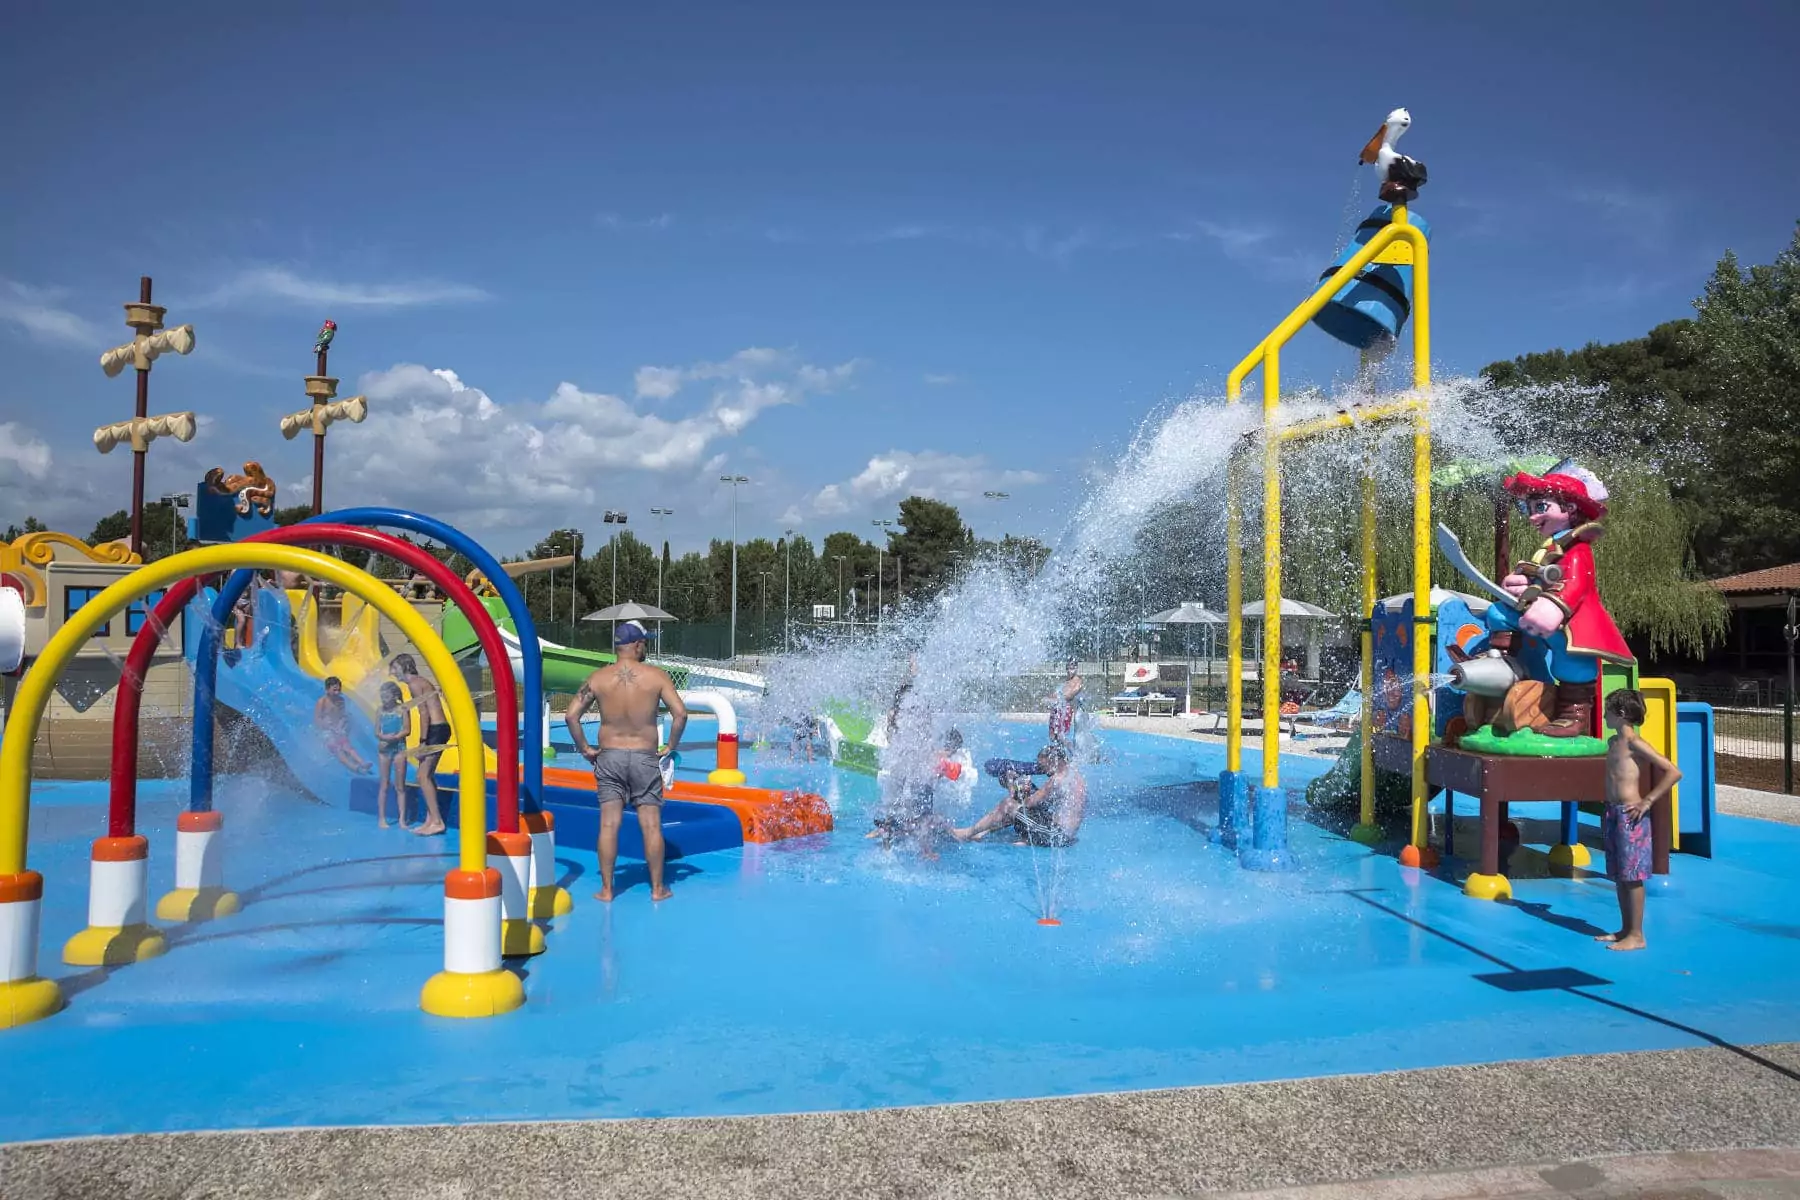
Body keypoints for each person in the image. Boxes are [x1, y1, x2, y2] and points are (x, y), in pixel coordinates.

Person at [565, 620, 687, 902]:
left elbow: (572, 716)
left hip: (610, 757)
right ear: (637, 644)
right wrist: (670, 746)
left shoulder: (597, 678)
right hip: (645, 757)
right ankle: (657, 889)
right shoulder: (656, 677)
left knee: (609, 824)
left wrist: (585, 748)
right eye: (645, 642)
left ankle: (607, 890)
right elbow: (680, 714)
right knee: (652, 825)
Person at [1595, 689, 1680, 952]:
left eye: (1608, 709)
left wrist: (1648, 801)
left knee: (1632, 875)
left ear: (1620, 714)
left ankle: (1637, 934)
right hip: (1613, 811)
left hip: (1631, 815)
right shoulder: (1612, 742)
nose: (1604, 714)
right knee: (1620, 874)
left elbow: (1672, 771)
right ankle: (1625, 928)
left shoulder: (1635, 744)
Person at [953, 743, 1087, 847]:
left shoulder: (1056, 779)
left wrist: (1014, 788)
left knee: (1009, 805)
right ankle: (984, 832)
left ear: (1053, 761)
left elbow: (1028, 803)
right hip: (1065, 834)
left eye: (1044, 766)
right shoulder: (1075, 776)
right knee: (1021, 807)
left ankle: (968, 833)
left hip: (1057, 836)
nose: (1045, 771)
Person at [389, 653, 449, 836]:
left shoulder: (414, 684)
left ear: (404, 666)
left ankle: (437, 821)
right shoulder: (419, 682)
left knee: (423, 776)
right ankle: (431, 819)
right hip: (438, 729)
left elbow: (424, 714)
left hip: (436, 730)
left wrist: (422, 742)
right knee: (425, 775)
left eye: (394, 668)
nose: (392, 673)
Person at [373, 681, 415, 829]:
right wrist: (384, 738)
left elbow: (407, 730)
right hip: (384, 750)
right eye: (382, 695)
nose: (383, 698)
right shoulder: (380, 711)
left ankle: (402, 819)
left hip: (399, 748)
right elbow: (377, 731)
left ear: (395, 695)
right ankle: (382, 818)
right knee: (384, 784)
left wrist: (394, 737)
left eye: (386, 695)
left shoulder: (403, 709)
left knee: (400, 786)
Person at [313, 677, 371, 773]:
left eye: (339, 690)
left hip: (337, 728)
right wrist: (327, 726)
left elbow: (341, 715)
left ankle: (362, 762)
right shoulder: (322, 702)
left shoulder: (340, 700)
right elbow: (317, 719)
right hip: (326, 730)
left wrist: (341, 724)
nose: (337, 692)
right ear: (327, 690)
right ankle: (354, 767)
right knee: (338, 749)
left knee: (347, 746)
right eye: (334, 690)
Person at [1049, 659, 1083, 747]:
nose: (1071, 667)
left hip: (1067, 708)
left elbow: (1074, 693)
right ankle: (1059, 753)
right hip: (1058, 708)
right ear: (1066, 667)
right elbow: (1055, 694)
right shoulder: (1065, 682)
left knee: (1062, 735)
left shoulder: (1078, 681)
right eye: (1070, 666)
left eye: (1074, 666)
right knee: (1053, 736)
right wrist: (1048, 698)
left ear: (1076, 668)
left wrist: (1061, 698)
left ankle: (1073, 754)